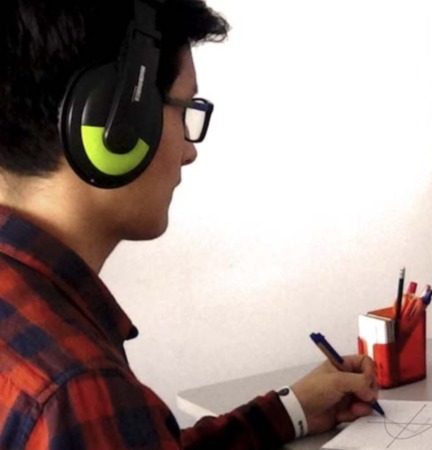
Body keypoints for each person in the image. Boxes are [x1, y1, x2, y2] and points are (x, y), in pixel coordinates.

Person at [0, 1, 379, 448]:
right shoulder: (77, 391)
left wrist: (291, 411)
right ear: (117, 123)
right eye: (184, 110)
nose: (189, 151)